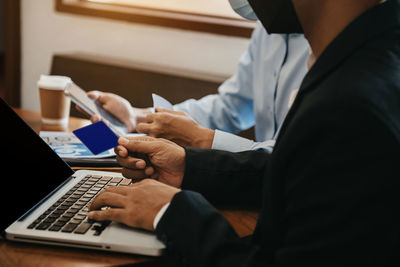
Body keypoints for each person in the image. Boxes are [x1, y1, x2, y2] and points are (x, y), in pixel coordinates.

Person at [88, 0, 400, 266]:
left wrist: (173, 212)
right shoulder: (365, 57)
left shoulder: (348, 107)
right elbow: (305, 172)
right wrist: (189, 166)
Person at [85, 21, 310, 153]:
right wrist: (138, 117)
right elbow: (232, 106)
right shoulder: (267, 29)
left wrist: (200, 138)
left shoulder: (327, 50)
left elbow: (289, 161)